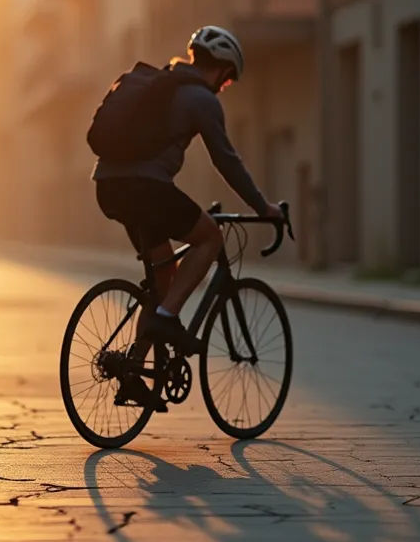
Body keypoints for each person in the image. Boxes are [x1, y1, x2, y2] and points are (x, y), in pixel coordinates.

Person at [92, 26, 282, 382]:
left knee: (164, 274)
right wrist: (263, 207)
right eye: (228, 80)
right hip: (145, 189)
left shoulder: (162, 84)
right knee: (210, 237)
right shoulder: (200, 98)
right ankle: (166, 320)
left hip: (108, 186)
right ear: (222, 69)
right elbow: (227, 161)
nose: (225, 87)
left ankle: (132, 371)